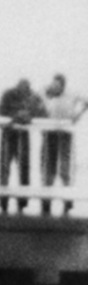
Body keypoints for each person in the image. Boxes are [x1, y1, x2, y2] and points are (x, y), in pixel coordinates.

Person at [0, 78, 45, 212]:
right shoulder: (7, 95)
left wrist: (29, 115)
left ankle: (22, 203)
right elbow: (0, 111)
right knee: (4, 169)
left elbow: (42, 112)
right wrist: (15, 115)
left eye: (27, 88)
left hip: (23, 136)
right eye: (23, 88)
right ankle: (3, 202)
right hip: (8, 135)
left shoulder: (33, 97)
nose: (25, 91)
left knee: (24, 168)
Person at [41, 73, 86, 215]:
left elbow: (86, 101)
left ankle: (67, 203)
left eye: (57, 86)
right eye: (53, 85)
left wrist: (78, 115)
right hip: (50, 133)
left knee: (65, 169)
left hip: (65, 133)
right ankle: (46, 203)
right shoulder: (47, 93)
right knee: (48, 168)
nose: (55, 87)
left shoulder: (72, 94)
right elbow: (38, 104)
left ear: (63, 86)